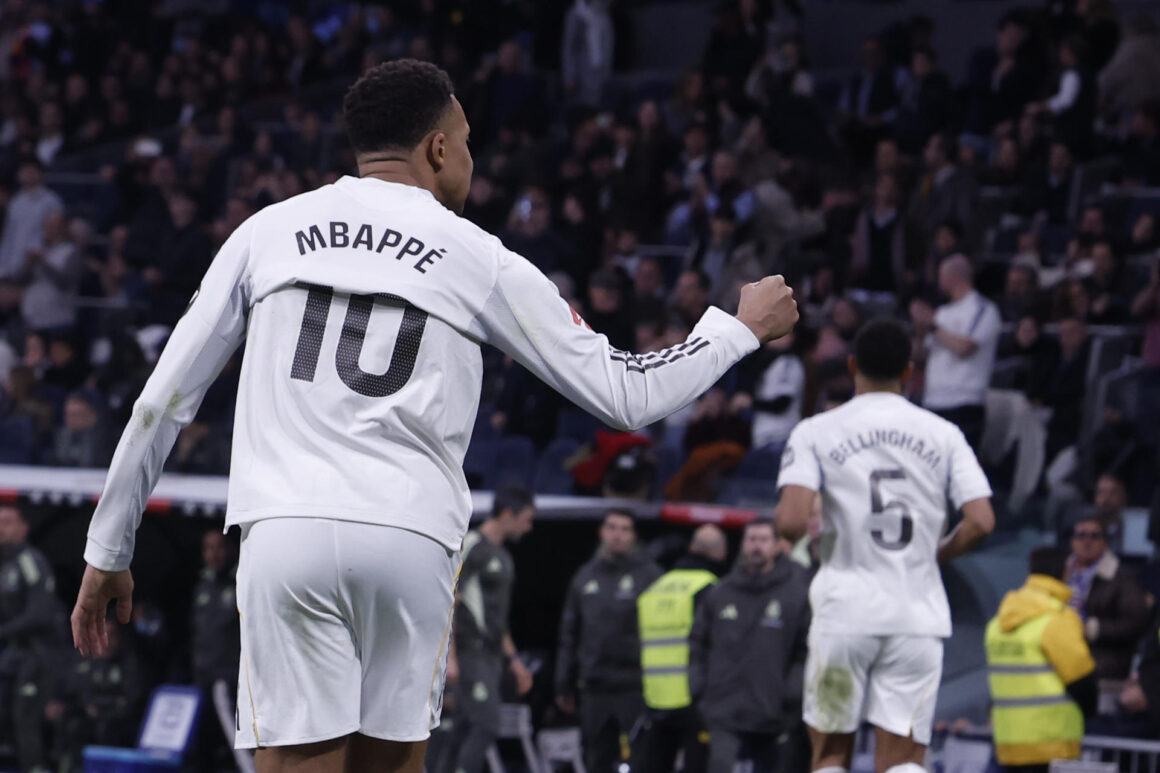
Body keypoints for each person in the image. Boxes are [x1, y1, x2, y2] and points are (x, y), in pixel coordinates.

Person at [70, 60, 799, 773]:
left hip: (285, 526)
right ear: (438, 147)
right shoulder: (478, 256)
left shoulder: (268, 231)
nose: (472, 158)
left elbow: (162, 399)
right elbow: (626, 395)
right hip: (408, 535)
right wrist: (735, 329)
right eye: (469, 139)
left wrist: (109, 545)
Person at [775, 318, 996, 773]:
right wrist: (938, 553)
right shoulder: (944, 434)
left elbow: (791, 523)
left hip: (844, 616)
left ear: (853, 365)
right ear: (910, 372)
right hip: (916, 619)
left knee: (830, 755)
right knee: (903, 762)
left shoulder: (815, 431)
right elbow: (981, 521)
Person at [688, 519, 811, 773]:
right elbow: (698, 644)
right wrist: (697, 686)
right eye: (751, 539)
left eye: (764, 540)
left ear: (777, 546)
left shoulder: (795, 595)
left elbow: (805, 651)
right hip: (722, 708)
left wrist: (790, 694)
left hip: (773, 711)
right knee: (719, 767)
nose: (757, 546)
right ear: (743, 544)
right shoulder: (720, 592)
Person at [556, 510, 664, 773]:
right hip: (595, 686)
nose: (617, 534)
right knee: (596, 757)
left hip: (635, 686)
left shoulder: (651, 576)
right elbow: (569, 633)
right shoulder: (585, 577)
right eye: (612, 527)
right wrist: (563, 682)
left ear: (633, 536)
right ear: (602, 532)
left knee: (641, 757)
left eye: (624, 529)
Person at [440, 486, 536, 773]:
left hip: (492, 657)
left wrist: (515, 662)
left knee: (462, 726)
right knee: (486, 724)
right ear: (508, 514)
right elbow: (449, 602)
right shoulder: (472, 545)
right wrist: (451, 657)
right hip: (470, 652)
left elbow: (497, 619)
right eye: (527, 519)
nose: (529, 527)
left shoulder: (503, 557)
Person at [984, 546, 1097, 773]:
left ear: (1030, 571)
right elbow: (1083, 682)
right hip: (1052, 743)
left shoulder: (997, 624)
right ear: (1066, 571)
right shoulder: (1057, 619)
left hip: (1007, 743)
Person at [636, 524, 728, 773]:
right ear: (721, 554)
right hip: (694, 699)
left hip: (655, 698)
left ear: (691, 548)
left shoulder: (656, 588)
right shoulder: (712, 589)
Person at [911, 254, 1002, 449]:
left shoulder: (983, 309)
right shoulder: (942, 313)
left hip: (963, 402)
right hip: (933, 401)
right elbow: (920, 355)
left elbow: (965, 348)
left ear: (953, 276)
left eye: (941, 275)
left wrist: (933, 326)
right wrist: (920, 330)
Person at [0, 504, 65, 773]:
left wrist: (3, 632)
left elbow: (41, 613)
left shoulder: (30, 561)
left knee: (25, 718)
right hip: (13, 653)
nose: (1, 528)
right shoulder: (5, 564)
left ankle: (37, 767)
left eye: (7, 522)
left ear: (23, 528)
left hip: (38, 653)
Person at [1064, 516, 1150, 680]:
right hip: (1060, 656)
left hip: (1104, 662)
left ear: (1105, 543)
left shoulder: (1122, 579)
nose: (1087, 541)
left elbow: (1137, 623)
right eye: (1081, 535)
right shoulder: (1059, 574)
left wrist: (1095, 629)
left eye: (1095, 536)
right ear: (1072, 541)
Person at [191, 529, 241, 769]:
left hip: (228, 681)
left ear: (231, 548)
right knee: (204, 746)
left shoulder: (242, 581)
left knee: (237, 743)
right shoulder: (203, 584)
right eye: (208, 548)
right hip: (203, 678)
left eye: (219, 547)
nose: (214, 554)